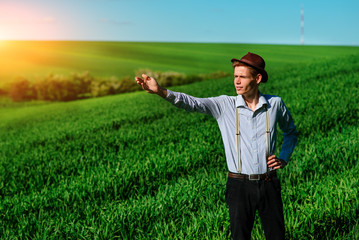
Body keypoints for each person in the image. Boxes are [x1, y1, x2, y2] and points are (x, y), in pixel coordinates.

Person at [135, 52, 298, 240]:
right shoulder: (224, 105)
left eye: (242, 76)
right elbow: (192, 103)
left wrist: (284, 157)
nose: (236, 81)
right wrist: (161, 91)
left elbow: (291, 132)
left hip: (270, 183)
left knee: (277, 236)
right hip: (239, 186)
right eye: (235, 76)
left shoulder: (275, 104)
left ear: (258, 78)